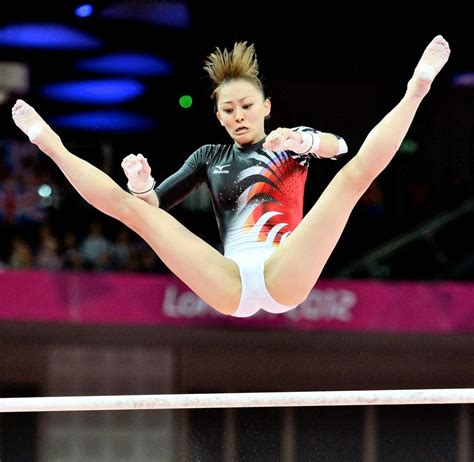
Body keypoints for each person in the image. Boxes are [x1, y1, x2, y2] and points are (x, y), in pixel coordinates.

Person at [11, 35, 450, 318]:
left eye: (246, 106)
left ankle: (416, 91)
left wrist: (305, 142)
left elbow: (342, 149)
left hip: (285, 272)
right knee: (131, 212)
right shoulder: (209, 156)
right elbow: (153, 211)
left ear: (266, 106)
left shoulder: (288, 141)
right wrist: (143, 184)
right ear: (217, 116)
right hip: (230, 282)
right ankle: (51, 143)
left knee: (353, 181)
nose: (238, 116)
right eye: (228, 109)